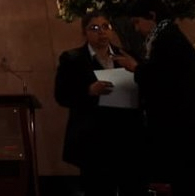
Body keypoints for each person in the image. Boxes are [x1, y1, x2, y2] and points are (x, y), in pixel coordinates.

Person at [112, 0, 195, 196]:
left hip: (182, 127)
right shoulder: (165, 36)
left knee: (186, 181)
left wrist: (135, 67)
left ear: (152, 16)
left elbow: (163, 79)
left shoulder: (167, 39)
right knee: (184, 181)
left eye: (137, 21)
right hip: (183, 126)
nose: (136, 28)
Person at [54, 15, 146, 196]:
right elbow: (61, 95)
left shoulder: (127, 56)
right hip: (93, 141)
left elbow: (144, 88)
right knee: (98, 189)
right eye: (94, 28)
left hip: (127, 138)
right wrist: (88, 91)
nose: (101, 32)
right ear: (84, 32)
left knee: (133, 187)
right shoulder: (73, 59)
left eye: (106, 26)